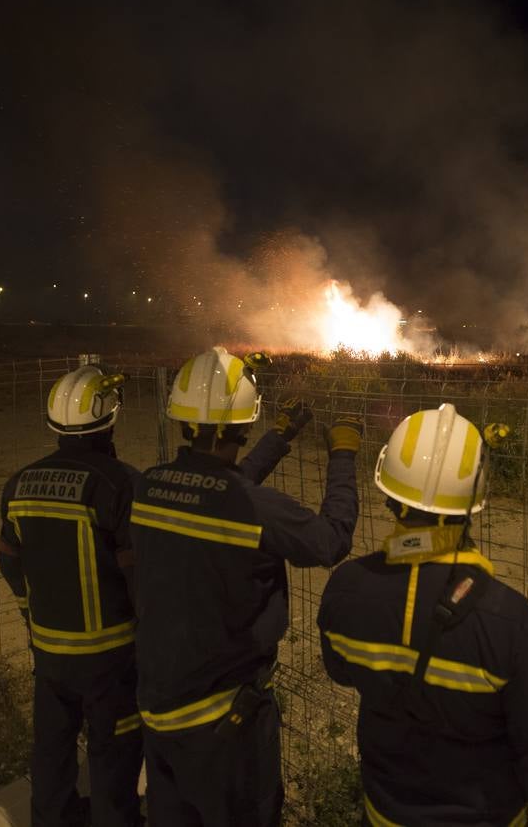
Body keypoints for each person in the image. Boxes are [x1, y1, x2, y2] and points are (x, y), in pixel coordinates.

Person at [318, 404, 528, 826]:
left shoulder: (347, 588)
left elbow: (340, 671)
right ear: (475, 502)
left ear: (389, 493)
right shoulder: (508, 621)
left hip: (384, 814)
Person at [129, 346, 361, 826]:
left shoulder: (149, 487)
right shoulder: (253, 508)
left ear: (181, 419)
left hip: (157, 706)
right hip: (225, 722)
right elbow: (330, 543)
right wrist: (343, 455)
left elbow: (218, 486)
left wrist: (281, 438)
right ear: (242, 424)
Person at [0, 360, 144, 827]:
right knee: (113, 745)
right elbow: (136, 572)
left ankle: (53, 817)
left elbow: (9, 559)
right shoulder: (120, 484)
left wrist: (30, 615)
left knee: (53, 742)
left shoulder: (19, 483)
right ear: (109, 417)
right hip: (110, 652)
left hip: (49, 648)